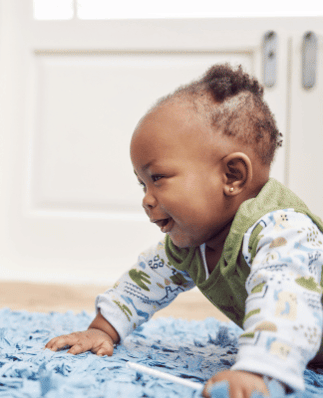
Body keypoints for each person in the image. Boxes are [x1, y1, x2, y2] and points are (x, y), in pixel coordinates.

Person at [46, 64, 323, 397]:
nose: (147, 200)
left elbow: (285, 302)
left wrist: (258, 371)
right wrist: (101, 330)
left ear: (232, 176)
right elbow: (144, 281)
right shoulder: (192, 242)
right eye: (142, 184)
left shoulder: (283, 233)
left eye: (158, 178)